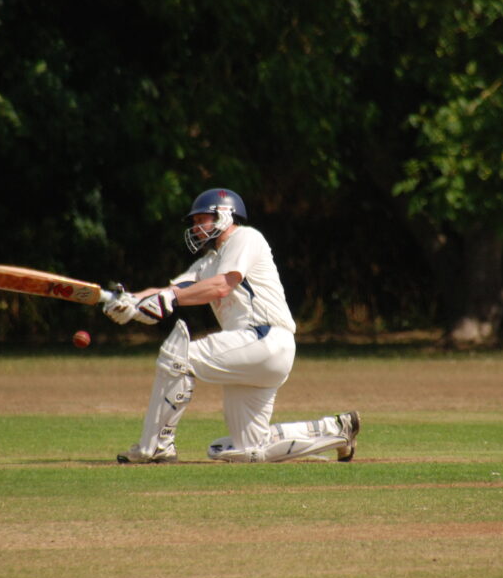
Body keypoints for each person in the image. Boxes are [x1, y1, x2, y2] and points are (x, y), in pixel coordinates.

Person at [102, 188, 360, 464]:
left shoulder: (245, 237)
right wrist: (130, 302)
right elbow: (171, 290)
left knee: (177, 357)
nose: (196, 227)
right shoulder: (208, 262)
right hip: (258, 352)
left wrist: (170, 298)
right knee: (248, 449)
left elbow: (222, 286)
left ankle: (156, 447)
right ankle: (337, 429)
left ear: (224, 215)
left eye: (202, 219)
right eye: (194, 222)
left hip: (264, 337)